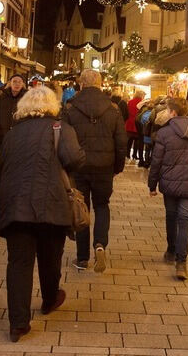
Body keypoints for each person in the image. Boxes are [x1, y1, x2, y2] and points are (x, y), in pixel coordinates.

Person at [0, 85, 86, 342]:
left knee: (19, 264)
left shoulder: (13, 134)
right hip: (52, 204)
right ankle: (49, 300)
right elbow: (74, 160)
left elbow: (2, 170)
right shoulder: (61, 129)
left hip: (16, 207)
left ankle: (18, 324)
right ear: (53, 105)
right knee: (50, 257)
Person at [61, 69, 127, 273]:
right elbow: (121, 141)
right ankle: (100, 244)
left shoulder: (70, 108)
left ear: (81, 84)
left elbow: (63, 139)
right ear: (100, 83)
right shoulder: (113, 108)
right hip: (104, 167)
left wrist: (65, 165)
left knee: (81, 207)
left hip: (78, 167)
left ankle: (82, 258)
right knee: (102, 206)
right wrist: (117, 166)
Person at [147, 97, 188, 280]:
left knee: (171, 217)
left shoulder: (164, 133)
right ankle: (182, 263)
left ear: (173, 112)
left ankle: (171, 251)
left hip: (169, 183)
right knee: (185, 219)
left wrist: (152, 184)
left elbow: (156, 161)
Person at [0, 75, 27, 152]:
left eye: (19, 82)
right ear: (10, 83)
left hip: (22, 139)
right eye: (14, 81)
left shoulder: (27, 98)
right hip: (4, 138)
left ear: (23, 84)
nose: (17, 84)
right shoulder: (2, 97)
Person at [125, 90, 144, 161]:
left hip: (130, 122)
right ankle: (135, 155)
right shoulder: (141, 103)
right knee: (137, 140)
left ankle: (127, 153)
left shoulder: (130, 102)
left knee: (129, 139)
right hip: (137, 122)